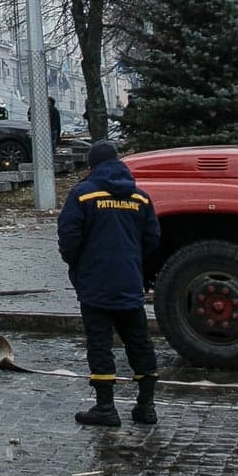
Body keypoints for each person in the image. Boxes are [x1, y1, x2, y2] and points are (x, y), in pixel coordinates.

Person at [56, 138, 160, 427]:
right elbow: (153, 240)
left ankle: (106, 407)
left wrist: (78, 266)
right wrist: (136, 267)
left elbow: (68, 238)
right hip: (129, 282)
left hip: (95, 284)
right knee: (139, 342)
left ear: (93, 166)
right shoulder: (139, 198)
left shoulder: (83, 195)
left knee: (100, 344)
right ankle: (146, 406)